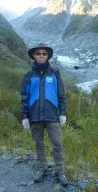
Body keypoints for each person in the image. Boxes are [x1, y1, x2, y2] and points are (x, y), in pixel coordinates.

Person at [20, 43, 68, 186]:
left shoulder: (54, 73)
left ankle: (60, 172)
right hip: (35, 116)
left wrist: (63, 113)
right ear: (34, 56)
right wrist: (24, 116)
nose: (41, 56)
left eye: (44, 54)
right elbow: (24, 97)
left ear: (47, 56)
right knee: (39, 144)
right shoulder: (28, 75)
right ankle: (42, 168)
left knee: (57, 145)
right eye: (38, 53)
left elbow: (61, 94)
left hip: (52, 115)